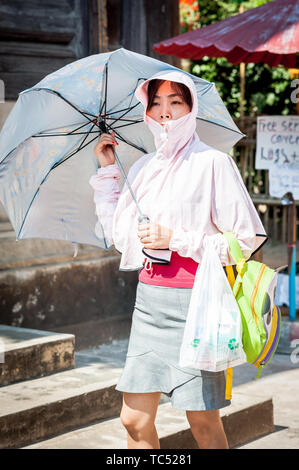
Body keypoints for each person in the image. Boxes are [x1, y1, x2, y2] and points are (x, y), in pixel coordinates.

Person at [89, 70, 267, 449]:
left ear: (191, 108)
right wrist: (107, 170)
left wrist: (177, 239)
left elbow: (245, 241)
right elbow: (118, 236)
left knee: (203, 423)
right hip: (149, 305)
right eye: (155, 103)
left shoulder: (213, 163)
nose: (165, 112)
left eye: (175, 102)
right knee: (134, 420)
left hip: (197, 306)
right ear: (146, 111)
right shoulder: (143, 168)